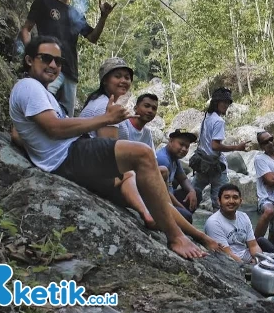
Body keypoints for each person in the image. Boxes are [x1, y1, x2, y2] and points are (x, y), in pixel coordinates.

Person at [9, 36, 205, 259]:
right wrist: (106, 118)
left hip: (68, 155)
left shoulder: (40, 92)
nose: (53, 65)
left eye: (58, 61)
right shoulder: (29, 86)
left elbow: (19, 132)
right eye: (46, 58)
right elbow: (54, 128)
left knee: (139, 174)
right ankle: (176, 237)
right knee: (142, 154)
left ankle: (163, 220)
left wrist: (33, 148)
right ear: (28, 60)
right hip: (69, 156)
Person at [76, 57, 218, 250]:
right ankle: (193, 235)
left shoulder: (105, 104)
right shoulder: (105, 107)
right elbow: (107, 152)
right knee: (156, 198)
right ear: (104, 80)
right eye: (117, 76)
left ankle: (198, 236)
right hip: (99, 174)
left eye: (127, 77)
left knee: (157, 193)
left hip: (96, 168)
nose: (124, 81)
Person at [19, 0, 115, 116]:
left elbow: (92, 37)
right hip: (47, 66)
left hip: (70, 70)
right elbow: (26, 29)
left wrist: (103, 17)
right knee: (39, 109)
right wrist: (32, 56)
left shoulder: (76, 13)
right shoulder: (44, 3)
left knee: (65, 117)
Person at [192, 87, 248, 210]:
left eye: (228, 102)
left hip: (202, 163)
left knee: (192, 193)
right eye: (223, 102)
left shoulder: (207, 117)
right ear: (216, 102)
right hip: (216, 166)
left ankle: (184, 219)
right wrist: (236, 147)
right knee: (220, 200)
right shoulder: (218, 121)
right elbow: (215, 145)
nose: (226, 105)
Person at [204, 184, 263, 263]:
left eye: (235, 197)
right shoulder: (213, 223)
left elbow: (253, 245)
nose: (231, 201)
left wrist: (258, 261)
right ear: (219, 201)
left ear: (240, 201)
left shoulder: (244, 216)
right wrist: (247, 266)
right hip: (231, 264)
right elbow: (227, 254)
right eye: (227, 197)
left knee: (264, 243)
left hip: (248, 258)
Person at [157, 129, 203, 223]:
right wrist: (182, 208)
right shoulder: (163, 159)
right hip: (160, 200)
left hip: (170, 195)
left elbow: (183, 179)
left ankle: (181, 220)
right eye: (181, 144)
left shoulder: (175, 158)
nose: (184, 149)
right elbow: (164, 192)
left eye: (187, 146)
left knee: (196, 193)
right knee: (186, 216)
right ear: (171, 141)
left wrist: (192, 191)